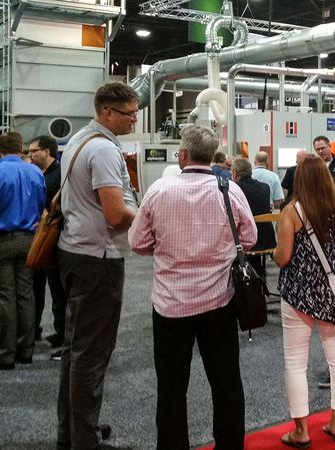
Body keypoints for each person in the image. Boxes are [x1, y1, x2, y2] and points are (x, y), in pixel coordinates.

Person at [129, 125, 254, 450]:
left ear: (182, 154)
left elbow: (137, 242)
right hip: (218, 301)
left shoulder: (159, 190)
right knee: (226, 382)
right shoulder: (229, 190)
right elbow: (250, 237)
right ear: (211, 155)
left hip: (171, 305)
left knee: (171, 387)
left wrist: (167, 248)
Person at [57, 81, 138, 449]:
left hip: (76, 252)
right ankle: (85, 440)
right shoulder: (104, 149)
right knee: (91, 355)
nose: (134, 120)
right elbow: (116, 213)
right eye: (129, 114)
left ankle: (73, 434)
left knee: (76, 350)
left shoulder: (79, 140)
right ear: (107, 112)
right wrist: (149, 215)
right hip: (97, 258)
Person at [275, 154, 335, 446]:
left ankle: (301, 431)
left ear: (300, 180)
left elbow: (282, 257)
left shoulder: (292, 212)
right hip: (332, 294)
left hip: (297, 294)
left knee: (296, 362)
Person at [0, 131, 46, 371]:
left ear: (0, 150)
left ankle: (5, 354)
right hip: (30, 239)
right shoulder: (35, 172)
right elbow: (41, 205)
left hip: (3, 240)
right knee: (26, 294)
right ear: (21, 149)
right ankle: (26, 351)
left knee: (5, 296)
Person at [28, 135, 68, 352]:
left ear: (46, 151)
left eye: (33, 151)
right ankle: (47, 329)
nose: (30, 155)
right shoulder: (41, 174)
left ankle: (63, 334)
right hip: (43, 236)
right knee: (40, 287)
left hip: (56, 238)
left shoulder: (59, 174)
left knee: (58, 288)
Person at [232, 157, 276, 253]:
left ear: (234, 173)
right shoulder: (265, 187)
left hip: (246, 240)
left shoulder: (234, 189)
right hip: (267, 239)